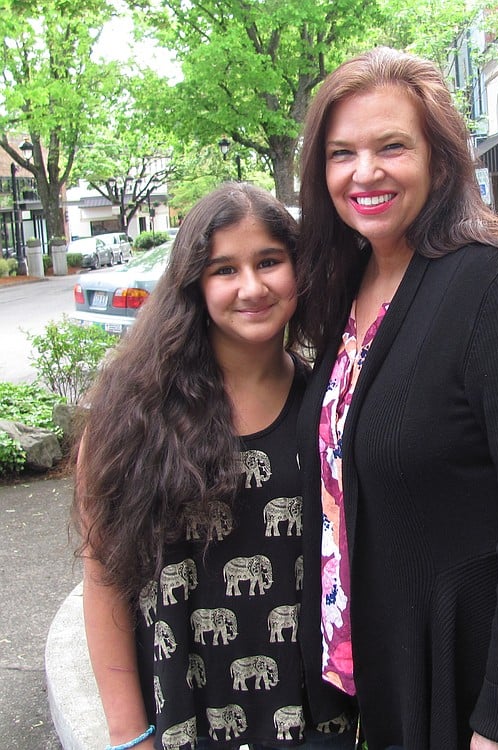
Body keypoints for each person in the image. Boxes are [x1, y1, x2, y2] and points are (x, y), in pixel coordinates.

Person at [296, 47, 498, 750]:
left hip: (476, 692)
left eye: (390, 146)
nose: (363, 172)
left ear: (440, 156)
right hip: (392, 672)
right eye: (341, 153)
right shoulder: (345, 287)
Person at [73, 183, 357, 750]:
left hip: (314, 722)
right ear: (193, 284)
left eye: (269, 262)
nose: (251, 287)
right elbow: (104, 579)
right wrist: (130, 735)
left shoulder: (329, 404)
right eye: (224, 269)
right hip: (183, 715)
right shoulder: (131, 416)